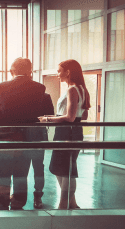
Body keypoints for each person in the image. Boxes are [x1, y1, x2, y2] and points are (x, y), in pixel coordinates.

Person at [0, 57, 47, 210]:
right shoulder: (39, 88)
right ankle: (18, 201)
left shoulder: (3, 86)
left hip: (4, 136)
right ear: (30, 71)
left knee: (3, 170)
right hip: (26, 137)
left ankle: (2, 201)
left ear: (12, 70)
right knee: (21, 171)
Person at [39, 59, 91, 210]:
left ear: (68, 72)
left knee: (66, 169)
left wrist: (47, 119)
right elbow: (83, 116)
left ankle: (63, 204)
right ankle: (71, 202)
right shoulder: (82, 89)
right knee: (65, 168)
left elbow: (70, 117)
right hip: (74, 131)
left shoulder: (72, 90)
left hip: (66, 132)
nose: (57, 74)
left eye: (59, 70)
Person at [25, 92, 55, 209]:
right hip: (38, 134)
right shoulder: (44, 96)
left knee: (26, 166)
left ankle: (27, 195)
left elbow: (50, 115)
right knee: (37, 166)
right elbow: (50, 114)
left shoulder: (43, 96)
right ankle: (37, 195)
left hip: (25, 134)